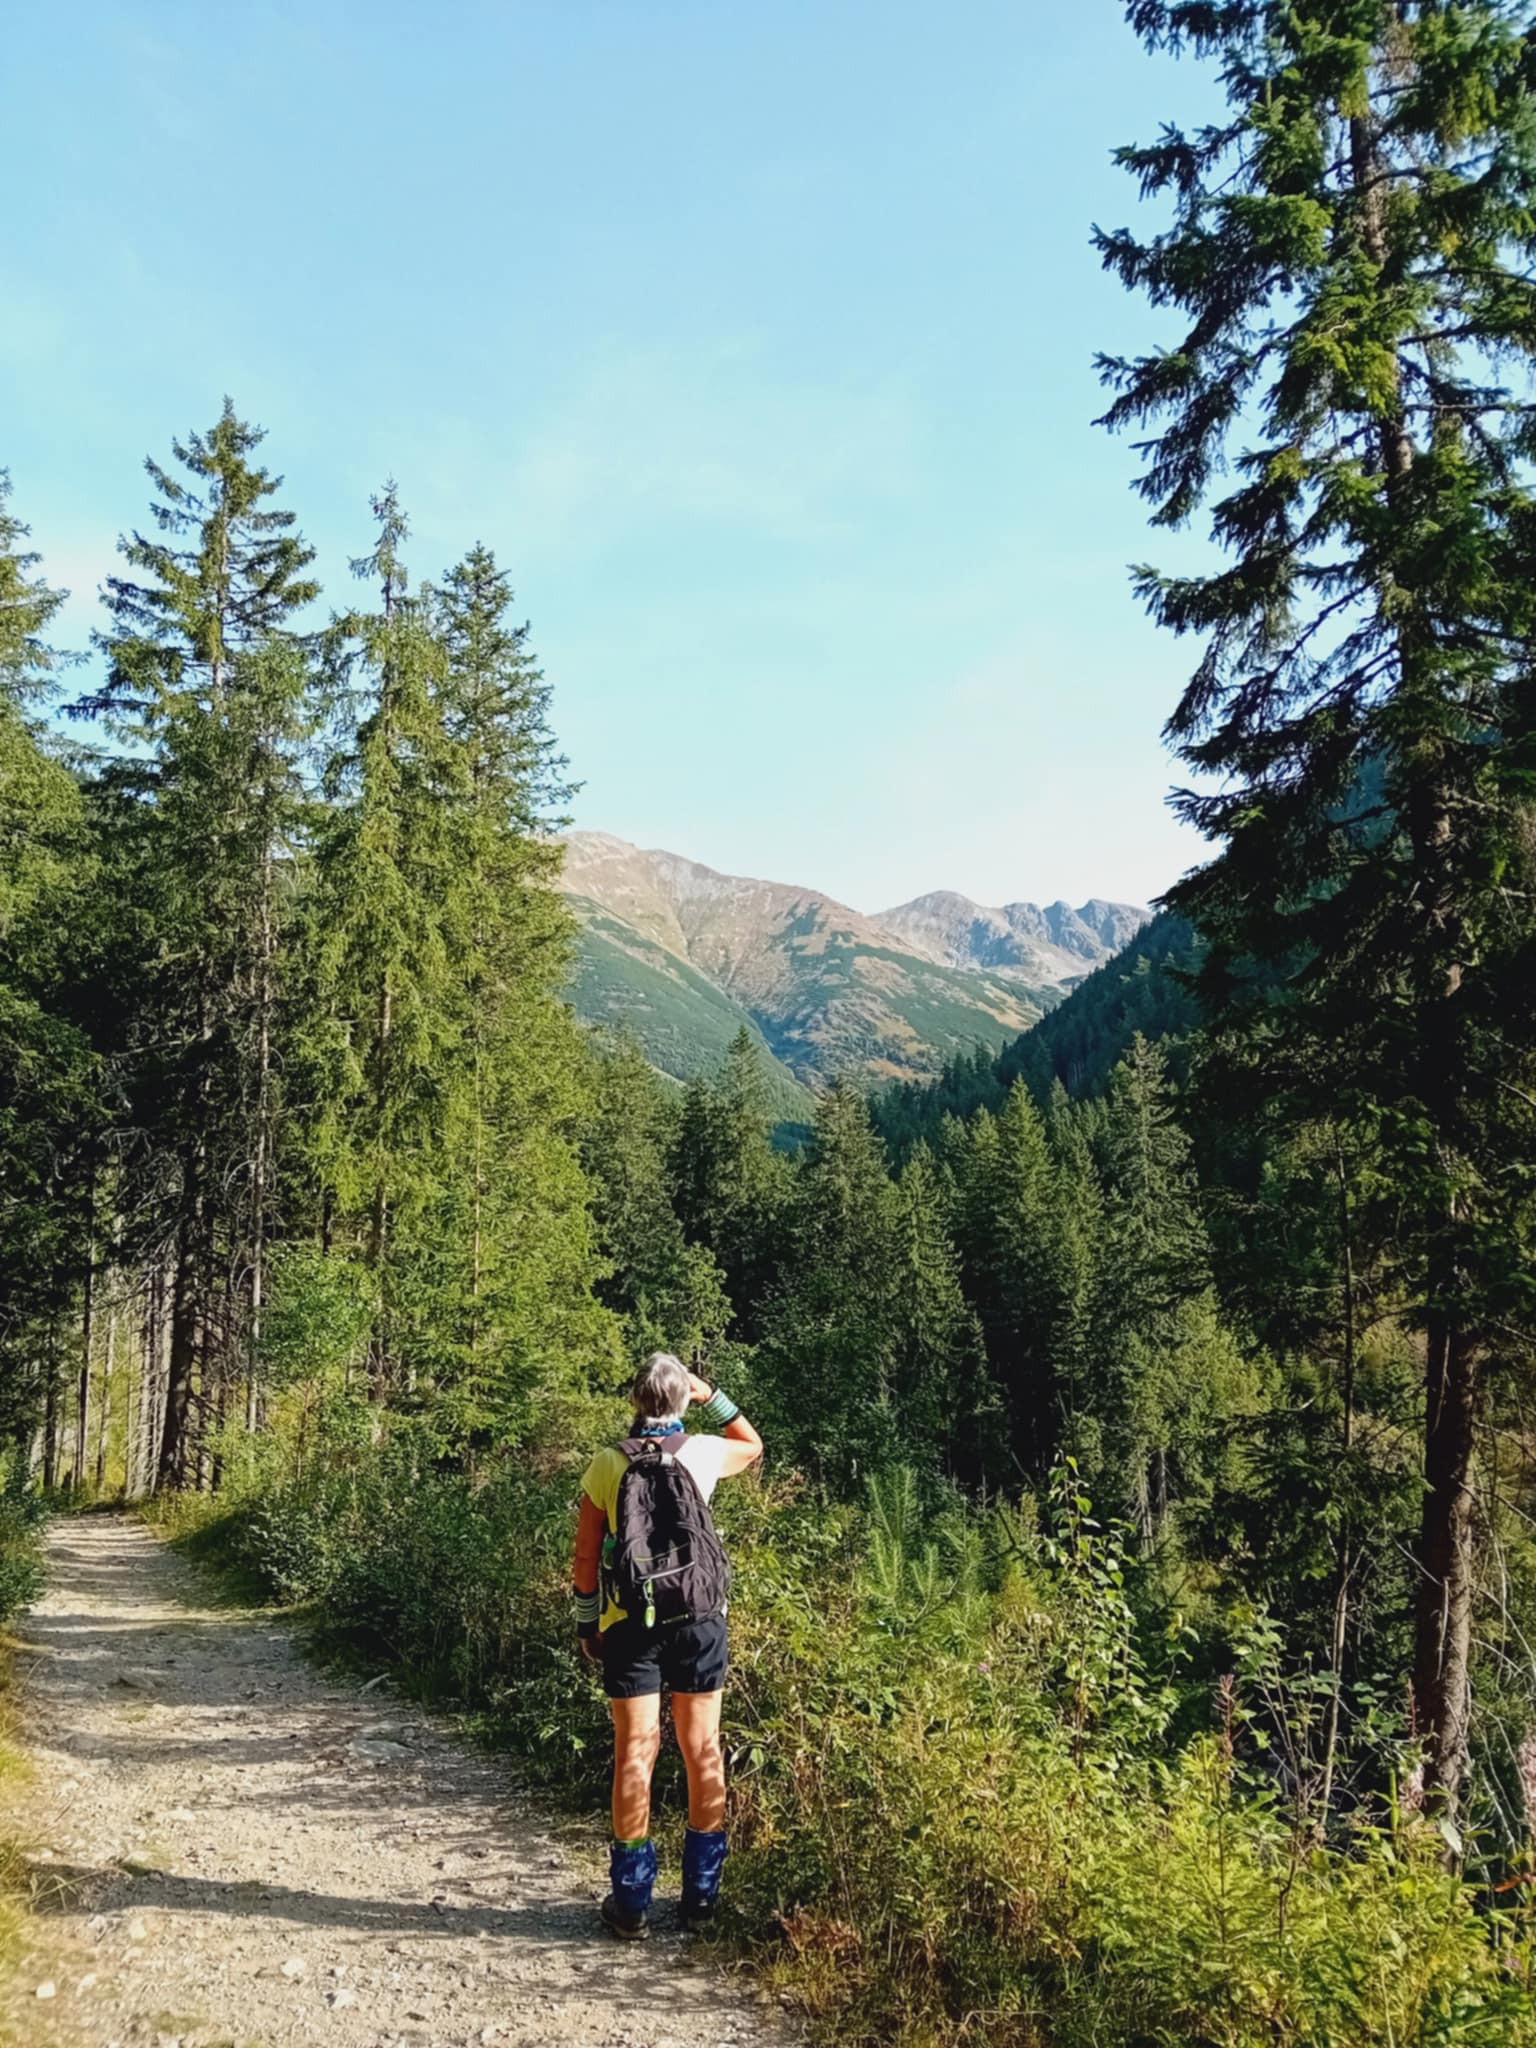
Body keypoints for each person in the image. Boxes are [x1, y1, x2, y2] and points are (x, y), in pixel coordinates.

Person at [572, 1351, 763, 1939]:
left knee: (636, 1752)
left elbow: (586, 1557)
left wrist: (588, 1626)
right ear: (682, 1400)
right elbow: (753, 1445)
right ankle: (700, 1901)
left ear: (635, 1399)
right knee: (702, 1749)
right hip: (700, 1618)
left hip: (631, 1623)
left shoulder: (607, 1463)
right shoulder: (701, 1451)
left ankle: (631, 1903)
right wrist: (713, 1396)